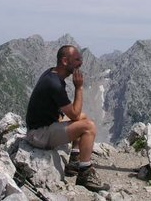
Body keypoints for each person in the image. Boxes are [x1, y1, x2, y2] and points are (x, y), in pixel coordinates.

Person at [26, 45, 110, 192]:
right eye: (77, 59)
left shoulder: (52, 74)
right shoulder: (54, 84)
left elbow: (75, 114)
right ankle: (85, 173)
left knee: (83, 118)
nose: (81, 63)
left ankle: (74, 161)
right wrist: (78, 87)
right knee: (88, 126)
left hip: (44, 125)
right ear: (65, 61)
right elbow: (74, 114)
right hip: (39, 134)